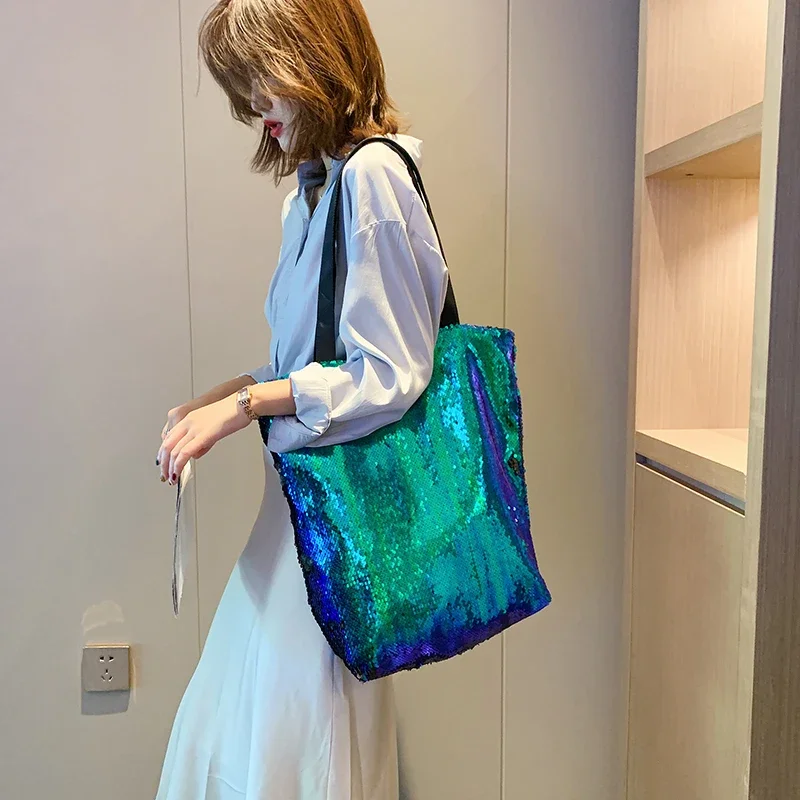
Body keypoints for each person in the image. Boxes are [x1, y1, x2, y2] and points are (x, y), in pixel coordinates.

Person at [154, 0, 450, 797]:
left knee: (298, 738)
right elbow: (309, 365)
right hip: (291, 509)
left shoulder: (374, 178)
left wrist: (243, 408)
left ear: (314, 58)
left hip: (337, 515)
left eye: (262, 77)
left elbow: (389, 374)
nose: (254, 103)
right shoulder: (310, 197)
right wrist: (222, 399)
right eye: (243, 84)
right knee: (254, 728)